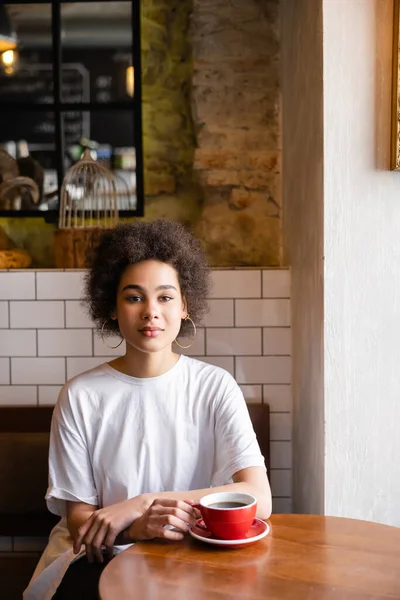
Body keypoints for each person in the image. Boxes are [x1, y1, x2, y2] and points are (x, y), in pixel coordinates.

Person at [24, 219, 272, 600]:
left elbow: (260, 496)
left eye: (166, 297)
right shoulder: (80, 395)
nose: (151, 312)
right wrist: (136, 528)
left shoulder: (215, 386)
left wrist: (143, 504)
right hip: (98, 558)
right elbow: (79, 523)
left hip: (190, 554)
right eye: (134, 297)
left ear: (185, 305)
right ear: (111, 306)